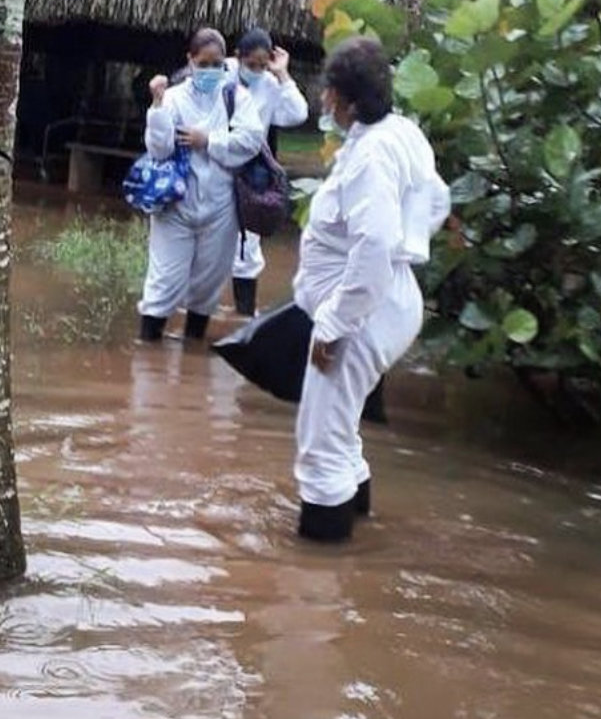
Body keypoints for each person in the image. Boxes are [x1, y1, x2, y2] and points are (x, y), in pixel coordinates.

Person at [293, 37, 450, 542]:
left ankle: (318, 575)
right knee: (341, 430)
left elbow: (377, 243)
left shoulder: (373, 156)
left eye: (329, 93)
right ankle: (358, 526)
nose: (322, 101)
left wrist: (336, 324)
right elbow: (437, 199)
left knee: (320, 447)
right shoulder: (400, 132)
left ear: (349, 100)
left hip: (363, 312)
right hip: (387, 299)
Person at [138, 28, 263, 342]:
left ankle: (192, 345)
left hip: (221, 207)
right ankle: (147, 344)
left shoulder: (236, 98)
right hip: (175, 204)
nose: (209, 71)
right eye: (202, 63)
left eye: (216, 64)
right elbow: (159, 149)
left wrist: (209, 141)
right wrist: (156, 106)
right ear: (190, 61)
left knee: (208, 284)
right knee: (165, 280)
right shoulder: (173, 98)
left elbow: (251, 141)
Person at [225, 28, 309, 316]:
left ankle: (242, 316)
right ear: (238, 57)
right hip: (215, 164)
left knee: (247, 243)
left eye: (263, 65)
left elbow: (298, 113)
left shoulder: (271, 85)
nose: (258, 71)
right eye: (252, 65)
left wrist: (282, 74)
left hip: (251, 174)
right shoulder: (222, 72)